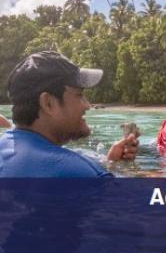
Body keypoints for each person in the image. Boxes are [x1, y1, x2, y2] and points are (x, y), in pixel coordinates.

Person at [0, 51, 139, 177]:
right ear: (48, 103)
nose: (87, 105)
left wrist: (112, 163)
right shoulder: (79, 172)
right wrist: (120, 171)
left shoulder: (4, 147)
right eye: (79, 95)